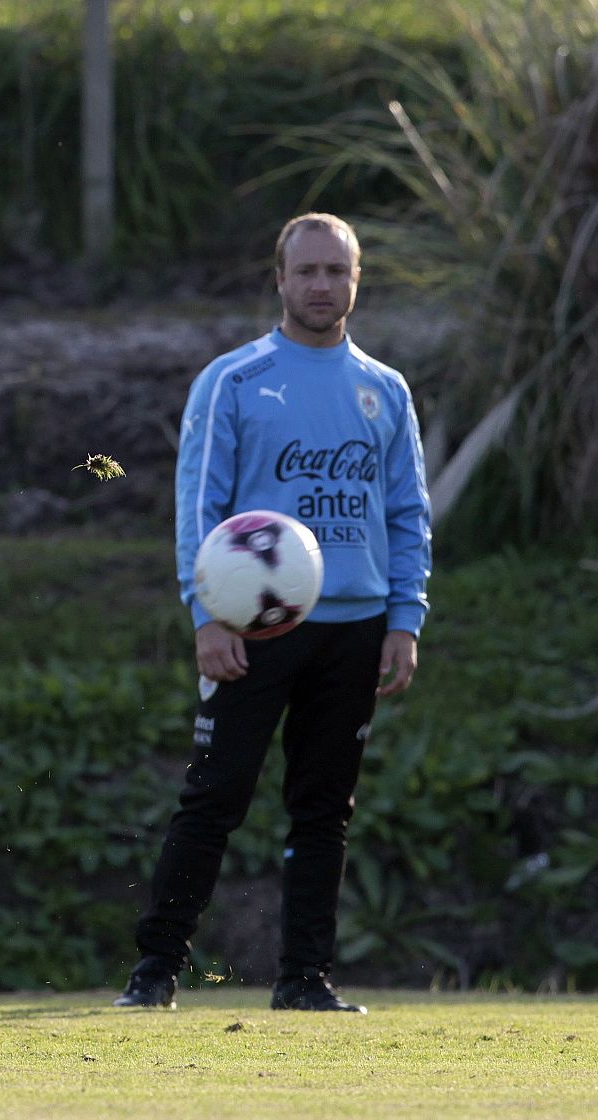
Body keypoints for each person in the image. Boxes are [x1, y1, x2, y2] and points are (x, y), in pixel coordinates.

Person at [113, 213, 431, 1014]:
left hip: (356, 628)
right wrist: (206, 617)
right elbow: (199, 505)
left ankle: (304, 982)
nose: (322, 285)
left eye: (337, 271)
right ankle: (154, 974)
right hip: (253, 629)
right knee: (214, 798)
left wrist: (405, 619)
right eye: (308, 271)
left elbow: (407, 515)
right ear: (280, 279)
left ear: (357, 280)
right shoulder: (234, 381)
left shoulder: (385, 390)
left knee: (324, 810)